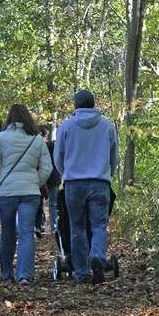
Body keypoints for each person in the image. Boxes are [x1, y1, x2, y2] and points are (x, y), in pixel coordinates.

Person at [54, 89, 118, 284]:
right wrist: (108, 174)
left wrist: (66, 173)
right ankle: (97, 256)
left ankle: (81, 272)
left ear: (76, 105)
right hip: (100, 182)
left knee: (77, 227)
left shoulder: (65, 126)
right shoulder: (107, 125)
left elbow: (58, 156)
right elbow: (114, 155)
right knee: (99, 225)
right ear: (93, 104)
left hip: (74, 184)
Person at [0, 104, 53, 285]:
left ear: (9, 118)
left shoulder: (0, 138)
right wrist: (36, 182)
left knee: (7, 233)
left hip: (6, 193)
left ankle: (7, 273)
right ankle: (25, 275)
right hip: (30, 193)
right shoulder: (37, 140)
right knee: (26, 233)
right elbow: (47, 168)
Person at [35, 123, 61, 237]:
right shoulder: (54, 145)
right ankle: (54, 226)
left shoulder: (36, 146)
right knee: (52, 203)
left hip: (40, 177)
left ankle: (41, 225)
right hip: (53, 177)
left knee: (39, 203)